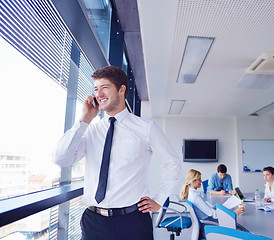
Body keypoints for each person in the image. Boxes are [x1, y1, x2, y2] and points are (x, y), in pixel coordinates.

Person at [53, 66, 181, 240]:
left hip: (132, 222)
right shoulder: (91, 130)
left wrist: (159, 199)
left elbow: (172, 164)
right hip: (93, 221)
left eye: (104, 87)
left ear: (122, 90)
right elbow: (61, 158)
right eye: (96, 89)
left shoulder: (146, 129)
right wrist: (84, 120)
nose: (99, 94)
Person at [180, 169, 244, 239]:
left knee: (236, 227)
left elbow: (205, 210)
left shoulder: (192, 193)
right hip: (208, 226)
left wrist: (215, 207)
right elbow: (214, 215)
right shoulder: (195, 197)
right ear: (193, 181)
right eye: (199, 179)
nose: (201, 181)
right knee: (239, 230)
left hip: (207, 222)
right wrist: (234, 212)